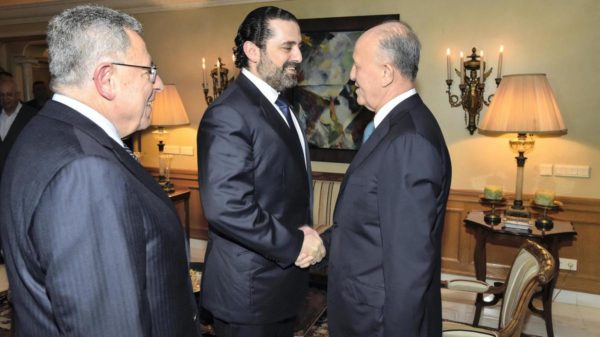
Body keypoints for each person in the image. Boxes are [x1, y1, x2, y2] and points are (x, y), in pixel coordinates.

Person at [0, 5, 200, 337]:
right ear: (106, 79)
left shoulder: (41, 132)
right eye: (149, 70)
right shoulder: (85, 170)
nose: (159, 84)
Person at [197, 6, 325, 337]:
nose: (298, 55)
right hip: (249, 294)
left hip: (279, 287)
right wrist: (296, 243)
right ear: (252, 51)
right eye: (287, 47)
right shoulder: (229, 113)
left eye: (299, 46)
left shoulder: (284, 106)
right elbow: (227, 206)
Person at [326, 21, 452, 337]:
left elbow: (409, 266)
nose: (351, 75)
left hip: (379, 322)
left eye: (357, 65)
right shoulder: (397, 128)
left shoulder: (407, 140)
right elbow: (371, 225)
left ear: (386, 73)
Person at [0, 77, 37, 176]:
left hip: (22, 175)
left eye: (9, 94)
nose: (5, 99)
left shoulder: (32, 116)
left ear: (17, 95)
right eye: (2, 95)